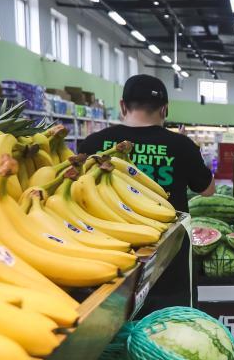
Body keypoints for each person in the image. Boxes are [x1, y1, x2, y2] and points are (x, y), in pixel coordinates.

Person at [79, 74, 215, 312]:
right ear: (165, 110)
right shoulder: (181, 146)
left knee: (110, 331)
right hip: (167, 257)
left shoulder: (93, 144)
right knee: (167, 330)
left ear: (122, 106)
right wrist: (188, 153)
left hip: (107, 254)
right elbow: (208, 191)